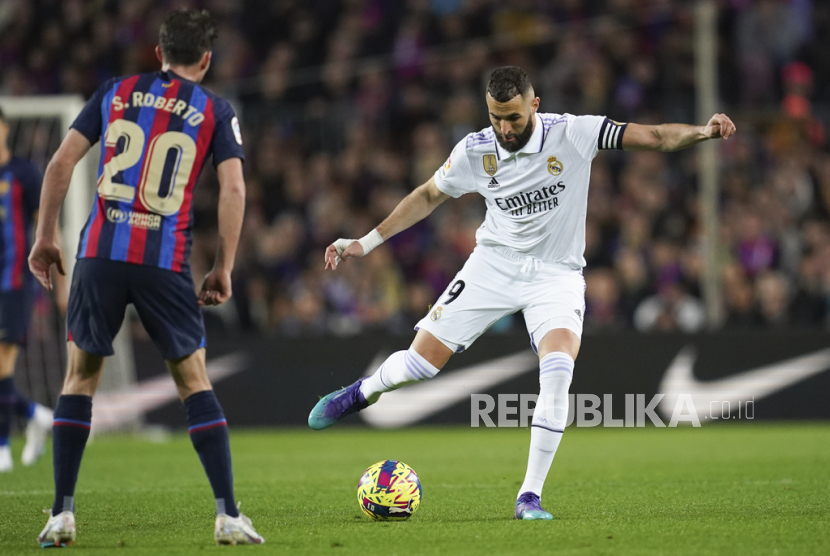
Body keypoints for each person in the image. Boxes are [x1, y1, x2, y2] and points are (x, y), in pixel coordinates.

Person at [309, 66, 736, 520]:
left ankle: (529, 497)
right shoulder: (476, 150)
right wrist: (364, 242)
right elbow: (429, 194)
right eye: (495, 117)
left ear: (534, 105)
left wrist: (703, 132)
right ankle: (362, 392)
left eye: (512, 117)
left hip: (557, 275)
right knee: (419, 366)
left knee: (557, 370)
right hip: (493, 264)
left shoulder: (573, 133)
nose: (504, 128)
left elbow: (655, 137)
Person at [28, 9, 263, 547]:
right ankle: (228, 516)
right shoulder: (214, 109)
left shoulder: (116, 90)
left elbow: (61, 163)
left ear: (158, 53)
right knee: (193, 382)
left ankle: (61, 514)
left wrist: (46, 235)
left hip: (101, 252)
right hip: (163, 258)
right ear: (206, 58)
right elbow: (233, 190)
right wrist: (223, 264)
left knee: (79, 379)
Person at [0, 107, 55, 473]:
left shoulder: (24, 173)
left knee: (2, 363)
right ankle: (35, 414)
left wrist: (59, 277)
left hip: (15, 282)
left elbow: (47, 226)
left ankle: (2, 446)